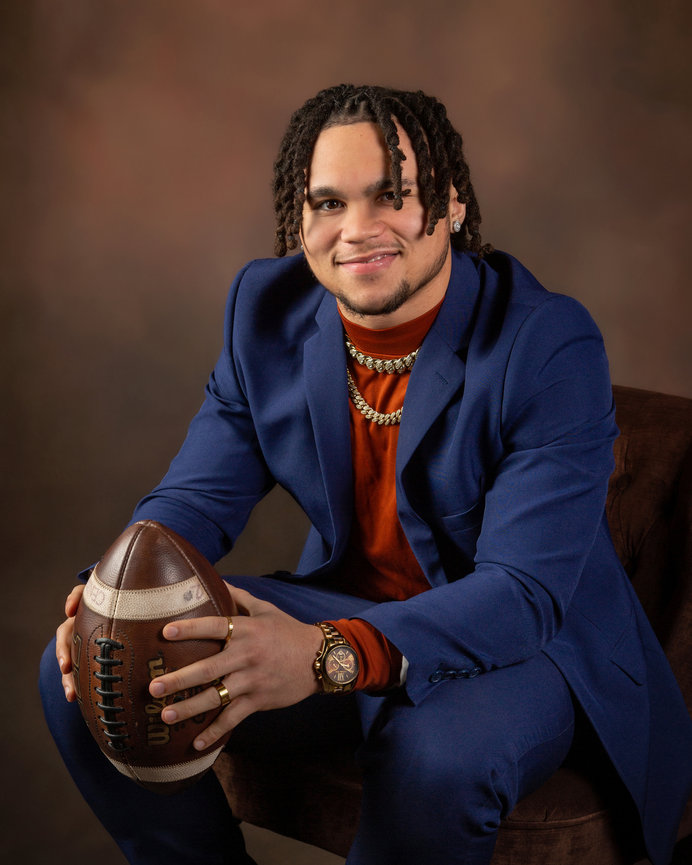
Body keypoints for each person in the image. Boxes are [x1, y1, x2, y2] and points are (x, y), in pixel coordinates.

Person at [41, 84, 692, 865]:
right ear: (301, 218)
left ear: (450, 204)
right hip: (346, 604)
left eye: (392, 196)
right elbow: (194, 498)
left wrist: (319, 653)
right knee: (83, 671)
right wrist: (113, 599)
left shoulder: (547, 344)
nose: (357, 231)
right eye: (328, 204)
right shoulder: (263, 311)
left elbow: (522, 593)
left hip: (526, 648)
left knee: (433, 760)